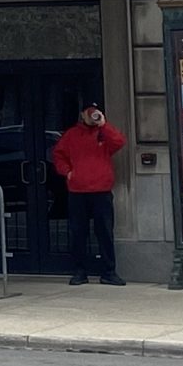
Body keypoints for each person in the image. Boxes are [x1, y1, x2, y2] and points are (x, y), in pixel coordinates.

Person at [51, 101, 127, 287]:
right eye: (89, 113)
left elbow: (119, 142)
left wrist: (104, 124)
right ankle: (79, 271)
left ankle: (109, 272)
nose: (92, 115)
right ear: (82, 114)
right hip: (78, 191)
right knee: (78, 233)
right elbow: (58, 155)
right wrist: (68, 172)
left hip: (101, 191)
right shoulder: (71, 135)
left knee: (105, 232)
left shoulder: (103, 133)